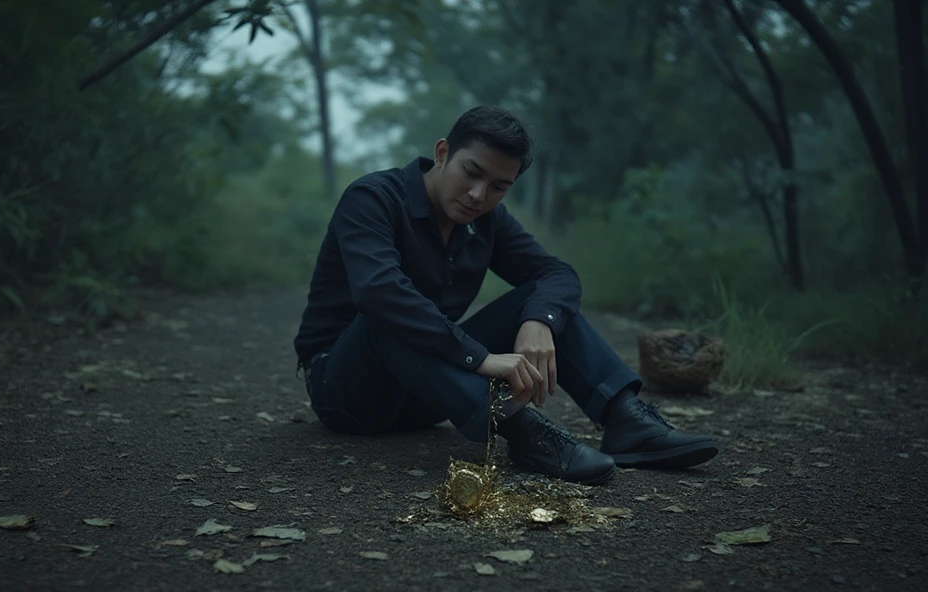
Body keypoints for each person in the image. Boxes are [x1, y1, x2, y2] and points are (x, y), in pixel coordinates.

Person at [294, 105, 719, 484]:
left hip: (425, 396)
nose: (480, 195)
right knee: (387, 311)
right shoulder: (373, 199)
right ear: (442, 153)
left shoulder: (488, 220)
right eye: (472, 173)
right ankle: (522, 431)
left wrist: (538, 324)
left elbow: (557, 273)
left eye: (499, 186)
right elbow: (378, 291)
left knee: (541, 298)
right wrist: (478, 357)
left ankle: (625, 419)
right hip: (347, 393)